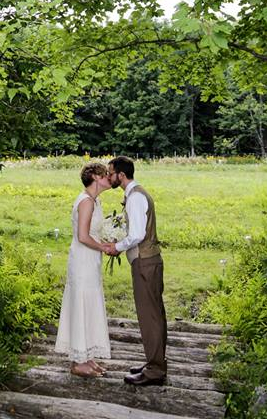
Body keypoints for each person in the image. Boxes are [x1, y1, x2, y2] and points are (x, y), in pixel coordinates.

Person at [103, 155, 168, 387]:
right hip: (147, 261)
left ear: (121, 175)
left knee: (149, 316)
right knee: (154, 314)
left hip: (145, 262)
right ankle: (155, 362)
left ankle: (155, 370)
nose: (108, 176)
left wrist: (117, 247)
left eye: (110, 173)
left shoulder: (136, 197)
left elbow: (138, 235)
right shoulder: (135, 195)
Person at [54, 161, 113, 377]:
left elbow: (93, 233)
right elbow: (83, 236)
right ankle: (77, 362)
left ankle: (87, 356)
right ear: (95, 177)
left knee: (89, 304)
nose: (109, 178)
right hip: (82, 259)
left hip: (91, 259)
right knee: (81, 304)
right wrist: (104, 247)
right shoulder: (86, 201)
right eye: (105, 174)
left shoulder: (95, 201)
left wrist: (107, 241)